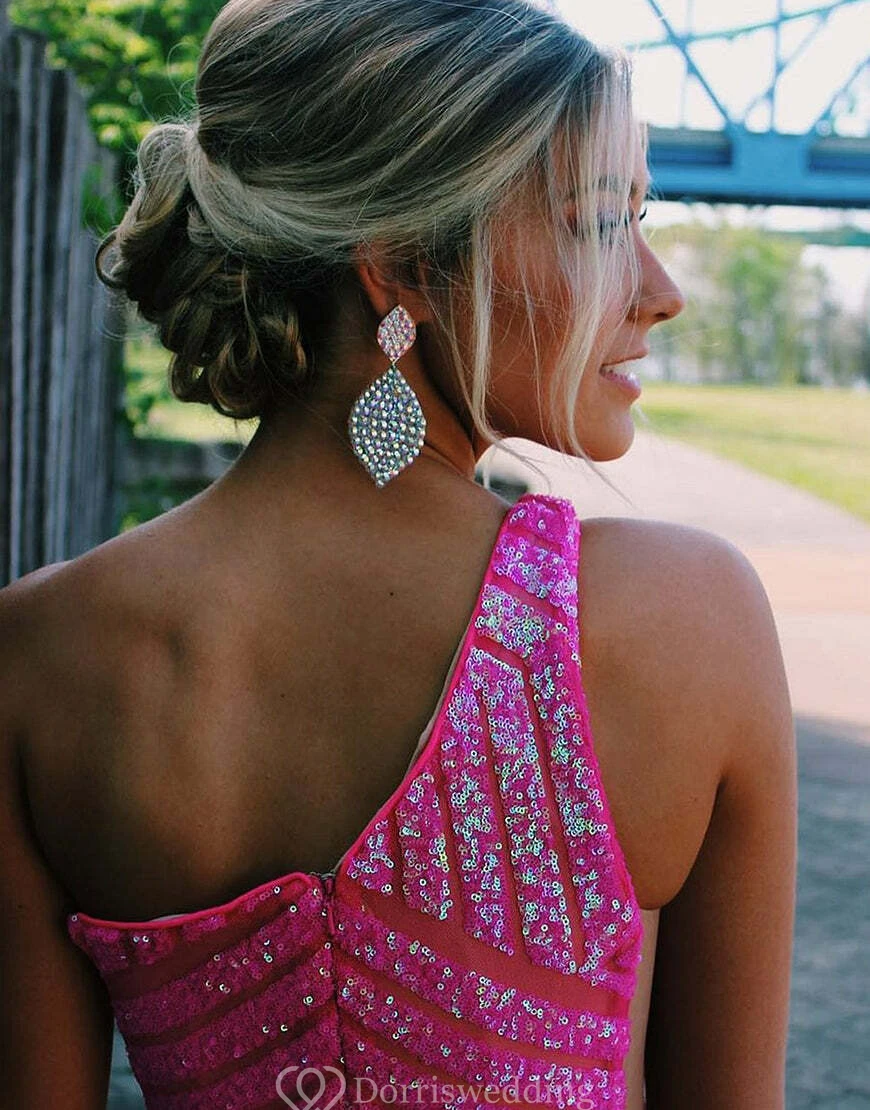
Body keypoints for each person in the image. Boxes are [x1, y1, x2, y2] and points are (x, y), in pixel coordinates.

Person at [0, 0, 797, 1107]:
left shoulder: (38, 656)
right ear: (406, 267)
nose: (662, 292)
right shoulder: (679, 618)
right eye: (600, 224)